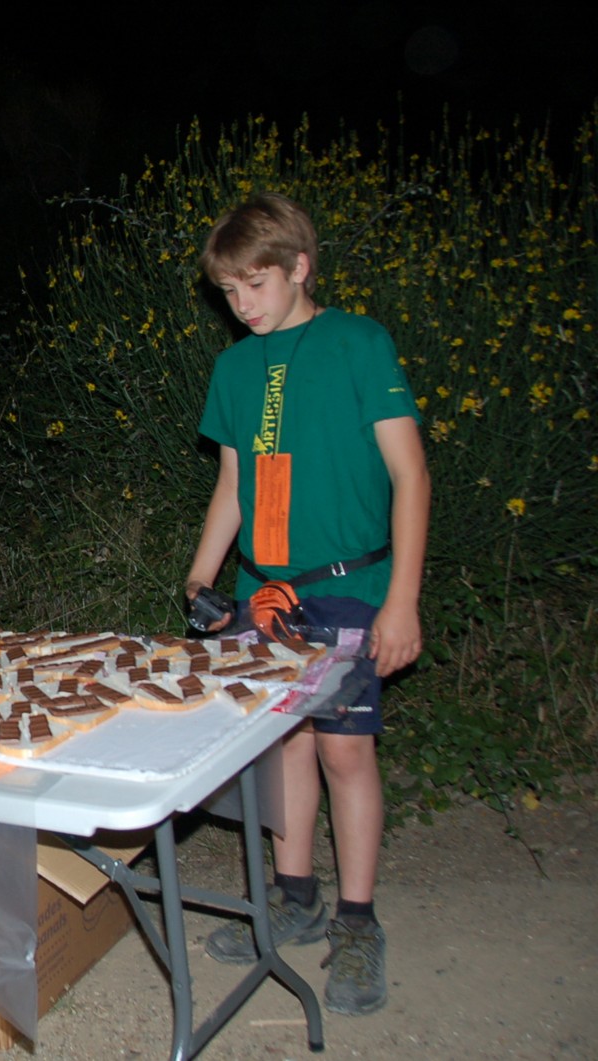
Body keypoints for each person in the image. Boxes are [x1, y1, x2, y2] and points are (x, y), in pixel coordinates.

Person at [182, 193, 430, 1016]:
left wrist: (402, 601)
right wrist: (199, 577)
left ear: (299, 267)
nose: (242, 304)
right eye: (229, 291)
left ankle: (357, 920)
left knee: (344, 753)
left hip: (350, 584)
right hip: (264, 592)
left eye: (255, 284)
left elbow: (410, 475)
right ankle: (295, 897)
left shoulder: (359, 343)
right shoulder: (235, 369)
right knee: (282, 746)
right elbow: (232, 483)